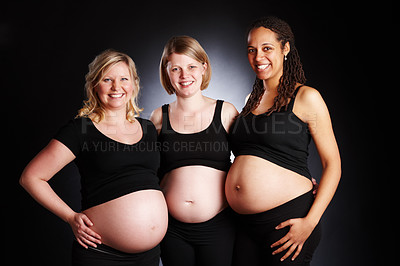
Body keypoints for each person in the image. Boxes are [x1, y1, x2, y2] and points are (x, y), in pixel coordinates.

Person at [19, 49, 168, 266]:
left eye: (123, 79)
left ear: (134, 84)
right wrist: (70, 217)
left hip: (150, 256)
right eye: (107, 79)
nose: (116, 87)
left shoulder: (148, 129)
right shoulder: (80, 130)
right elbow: (31, 177)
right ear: (95, 85)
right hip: (102, 254)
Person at [226, 16, 342, 266]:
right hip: (245, 226)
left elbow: (333, 164)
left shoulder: (306, 97)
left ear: (285, 48)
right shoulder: (250, 100)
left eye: (267, 48)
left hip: (287, 223)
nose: (258, 57)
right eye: (252, 50)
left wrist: (309, 223)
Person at [150, 36, 238, 266]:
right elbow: (146, 169)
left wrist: (292, 175)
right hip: (172, 229)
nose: (184, 75)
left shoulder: (226, 112)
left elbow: (253, 158)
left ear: (203, 67)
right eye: (175, 68)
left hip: (219, 225)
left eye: (191, 66)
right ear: (166, 72)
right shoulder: (159, 117)